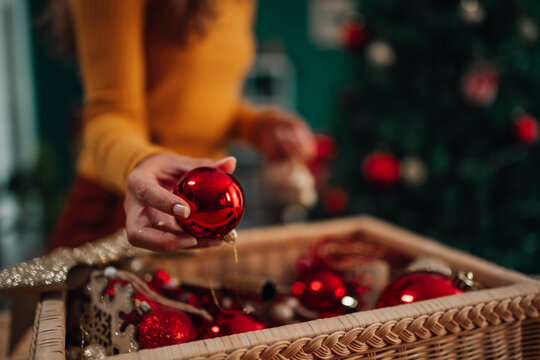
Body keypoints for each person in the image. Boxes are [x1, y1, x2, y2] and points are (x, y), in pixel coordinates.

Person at [46, 0, 314, 252]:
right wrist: (141, 162)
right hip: (125, 201)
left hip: (200, 205)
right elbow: (108, 110)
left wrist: (259, 126)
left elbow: (205, 100)